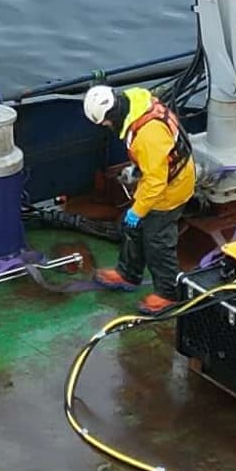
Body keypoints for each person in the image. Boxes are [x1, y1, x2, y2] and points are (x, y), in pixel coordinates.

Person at [83, 81, 198, 313]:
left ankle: (169, 293)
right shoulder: (135, 103)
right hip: (156, 182)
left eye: (105, 122)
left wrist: (138, 210)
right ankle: (127, 274)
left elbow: (157, 182)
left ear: (111, 116)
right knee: (132, 227)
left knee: (157, 241)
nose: (106, 126)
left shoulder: (148, 135)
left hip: (170, 191)